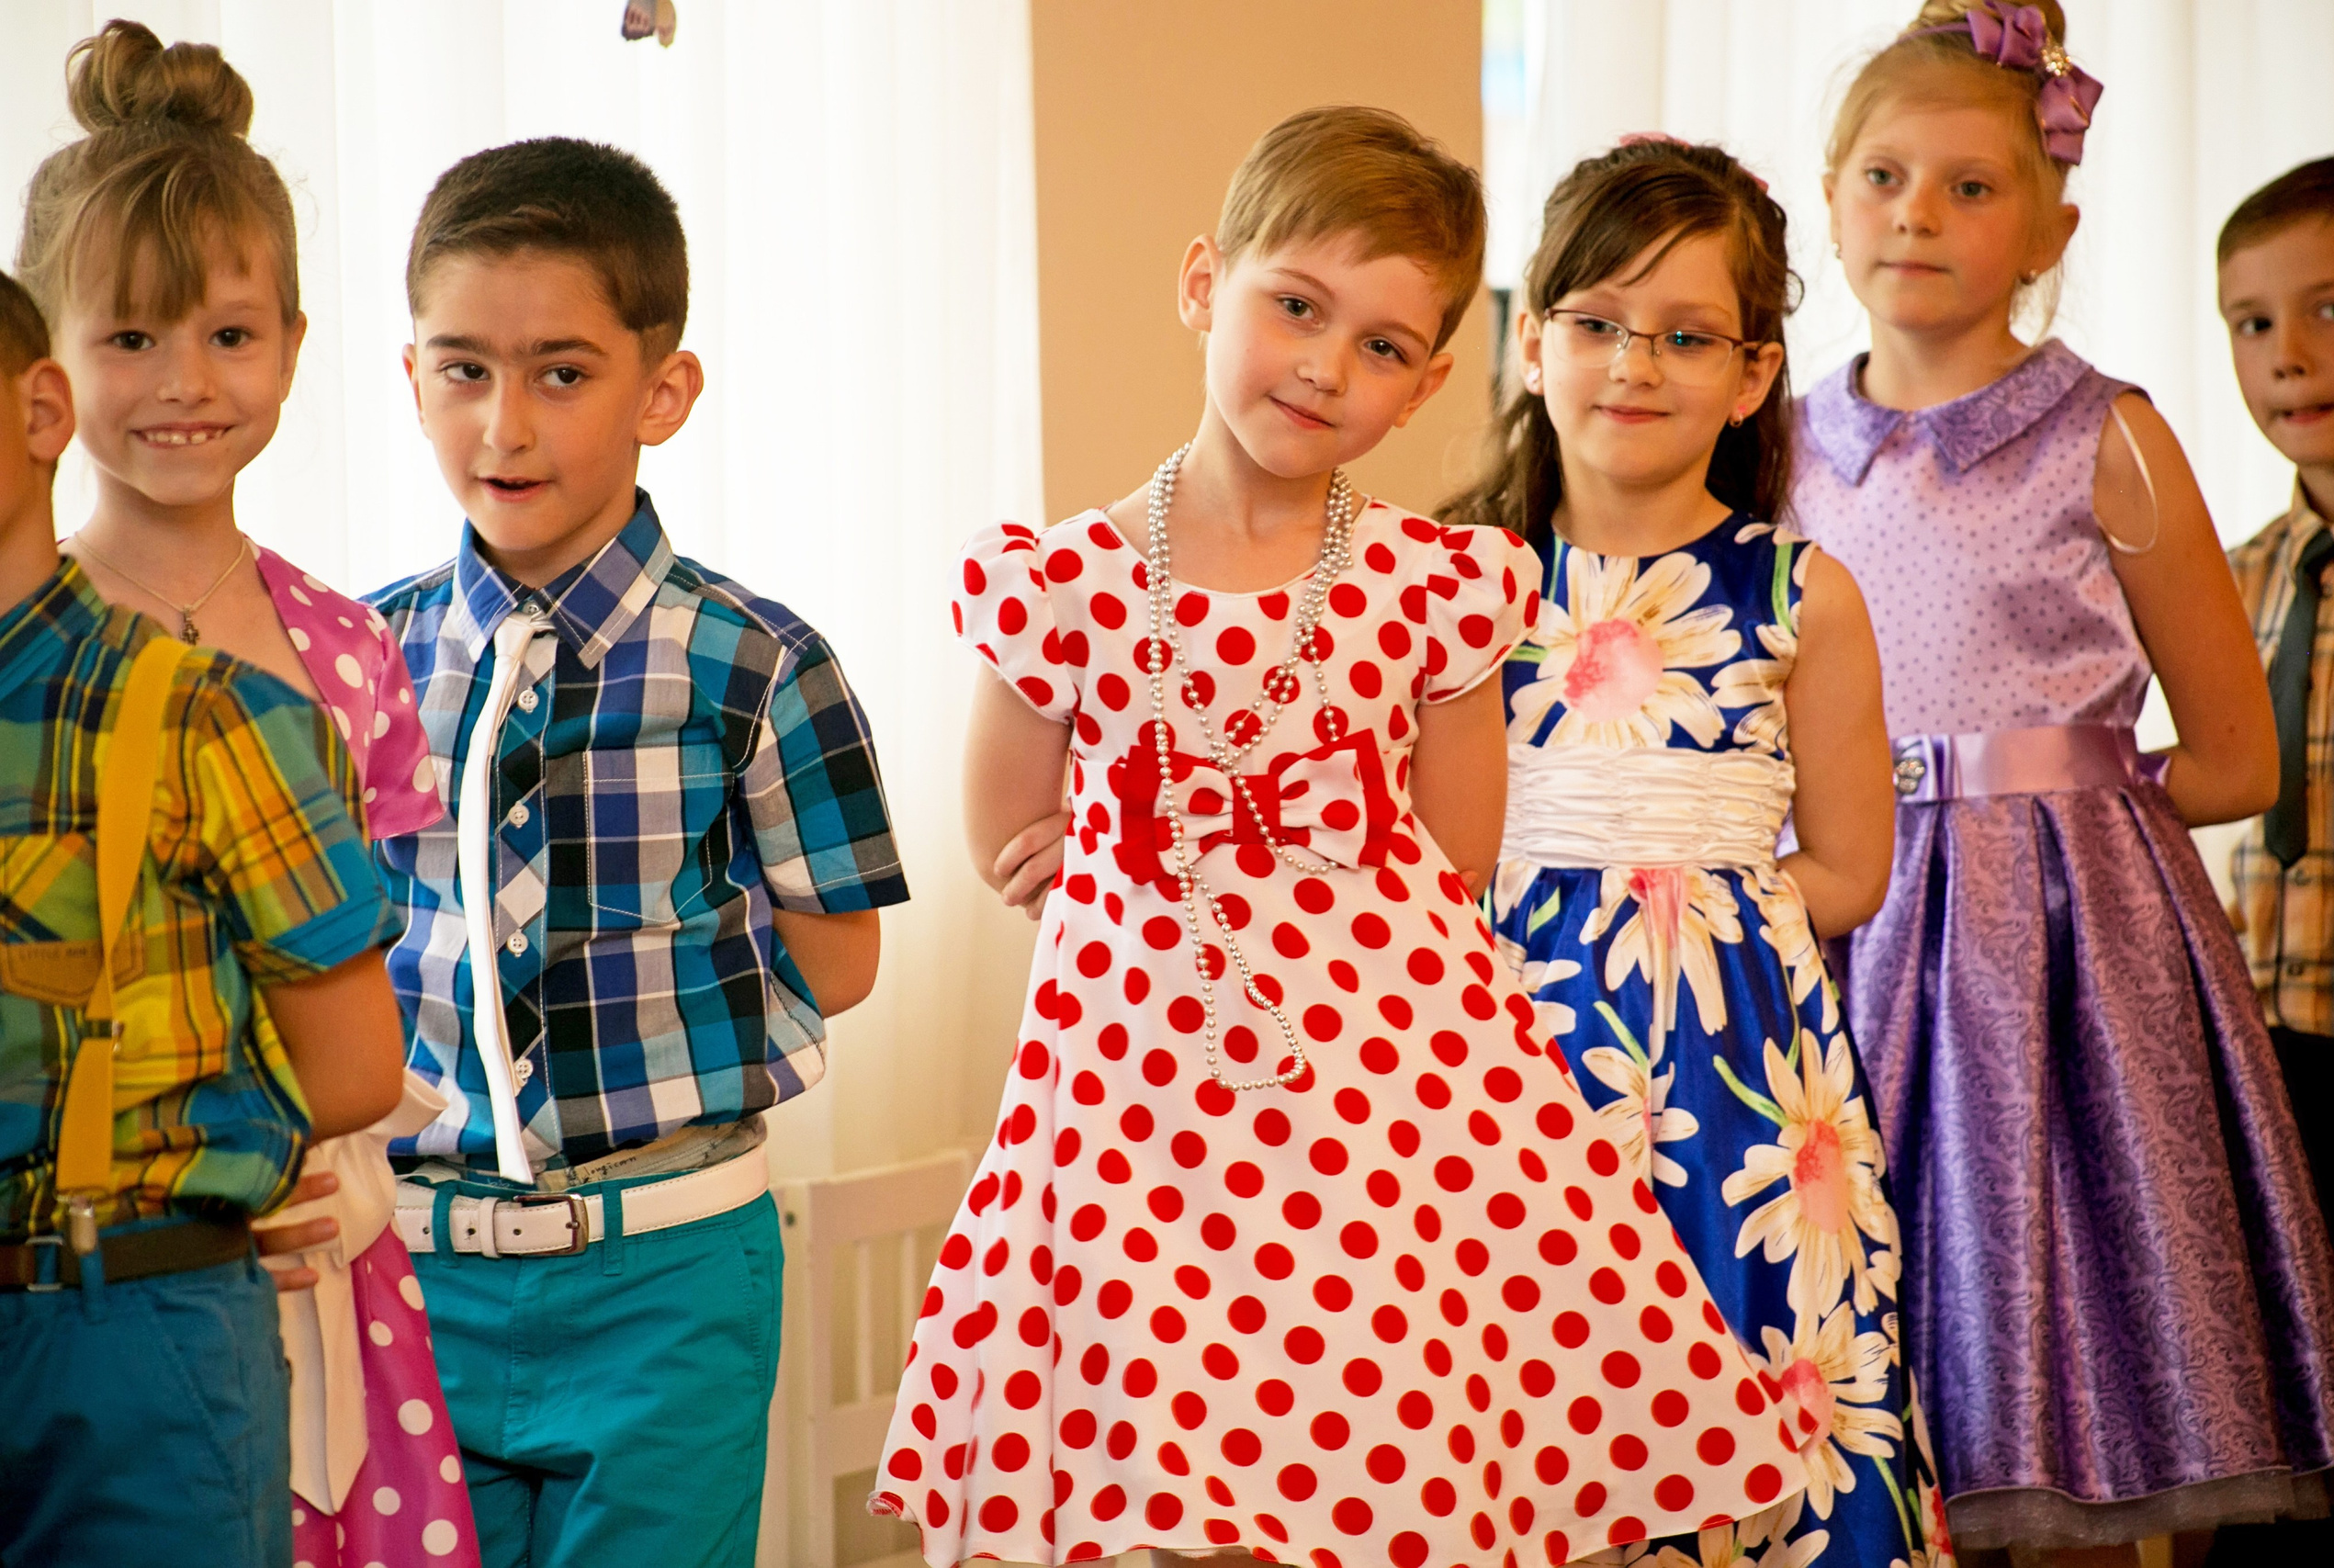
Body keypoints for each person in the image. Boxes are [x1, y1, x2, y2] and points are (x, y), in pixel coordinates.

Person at [874, 106, 1818, 1568]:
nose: (1324, 366)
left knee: (1370, 1442)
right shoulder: (1058, 581)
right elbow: (1010, 830)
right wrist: (1126, 862)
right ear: (1206, 283)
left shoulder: (1438, 584)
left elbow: (1453, 852)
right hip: (1141, 1098)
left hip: (1385, 1101)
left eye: (1382, 346)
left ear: (1431, 379)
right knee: (1162, 1473)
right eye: (1294, 307)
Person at [1788, 2, 2334, 1559]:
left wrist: (2052, 819)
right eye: (1885, 177)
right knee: (1857, 1370)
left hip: (2054, 961)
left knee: (2057, 1340)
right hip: (1838, 932)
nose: (1918, 215)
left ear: (2054, 227)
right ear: (1829, 200)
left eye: (1972, 186)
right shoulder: (1773, 448)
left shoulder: (2108, 436)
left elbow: (2236, 759)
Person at [369, 135, 907, 1568]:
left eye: (562, 370)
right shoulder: (355, 659)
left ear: (661, 390)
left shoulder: (760, 661)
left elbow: (840, 966)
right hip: (416, 1269)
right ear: (408, 376)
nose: (506, 428)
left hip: (669, 1270)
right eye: (462, 369)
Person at [1445, 135, 1950, 1568]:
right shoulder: (1450, 587)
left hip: (1737, 1071)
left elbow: (1852, 867)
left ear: (1749, 375)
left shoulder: (1804, 595)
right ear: (1532, 342)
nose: (1634, 364)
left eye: (1684, 336)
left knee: (1757, 1372)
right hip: (1499, 1051)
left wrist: (1691, 899)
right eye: (1596, 323)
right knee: (1526, 1401)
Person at [11, 23, 475, 1564]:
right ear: (45, 380)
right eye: (130, 340)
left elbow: (389, 963)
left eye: (229, 334)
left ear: (290, 340)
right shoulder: (36, 660)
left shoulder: (351, 645)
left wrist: (354, 1164)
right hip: (104, 1261)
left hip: (324, 1242)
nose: (184, 386)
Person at [2208, 150, 2334, 1566]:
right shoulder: (2238, 574)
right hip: (2275, 1050)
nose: (2289, 356)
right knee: (2297, 1403)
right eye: (2251, 324)